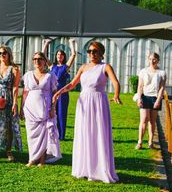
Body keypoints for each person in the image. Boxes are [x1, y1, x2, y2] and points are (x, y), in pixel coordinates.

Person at [52, 41, 122, 183]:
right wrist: (59, 92)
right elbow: (72, 84)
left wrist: (116, 95)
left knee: (98, 133)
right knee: (85, 133)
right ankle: (85, 167)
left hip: (98, 102)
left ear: (101, 53)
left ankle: (99, 169)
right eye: (89, 51)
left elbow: (115, 82)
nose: (91, 54)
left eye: (95, 51)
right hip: (84, 102)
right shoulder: (83, 67)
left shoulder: (105, 67)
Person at [20, 51, 62, 167]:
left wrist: (53, 108)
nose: (37, 61)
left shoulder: (50, 76)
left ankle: (42, 160)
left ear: (45, 61)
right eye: (35, 59)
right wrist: (21, 109)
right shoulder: (28, 75)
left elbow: (55, 93)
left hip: (45, 108)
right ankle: (32, 158)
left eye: (40, 59)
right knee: (31, 135)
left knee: (44, 135)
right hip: (30, 109)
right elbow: (24, 93)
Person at [42, 38, 77, 140]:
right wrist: (46, 44)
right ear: (56, 56)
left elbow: (73, 55)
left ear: (63, 57)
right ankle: (51, 132)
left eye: (61, 55)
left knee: (61, 113)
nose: (59, 57)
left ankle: (61, 135)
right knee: (51, 112)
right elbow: (43, 56)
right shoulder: (52, 66)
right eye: (58, 55)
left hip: (62, 94)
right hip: (52, 93)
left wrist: (71, 43)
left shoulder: (65, 67)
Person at [136, 52, 166, 149]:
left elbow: (162, 88)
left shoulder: (162, 73)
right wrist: (139, 98)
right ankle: (140, 142)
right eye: (150, 59)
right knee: (144, 119)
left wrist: (158, 100)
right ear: (148, 60)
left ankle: (150, 142)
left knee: (152, 121)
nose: (152, 61)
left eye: (154, 59)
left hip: (155, 98)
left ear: (158, 60)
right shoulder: (143, 71)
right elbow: (140, 86)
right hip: (144, 97)